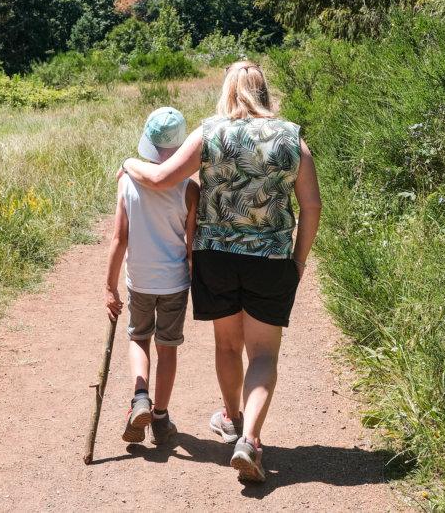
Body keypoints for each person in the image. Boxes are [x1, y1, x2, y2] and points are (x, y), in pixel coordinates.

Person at [121, 61, 322, 483]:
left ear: (228, 91)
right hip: (270, 259)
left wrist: (128, 163)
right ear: (264, 91)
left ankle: (232, 419)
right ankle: (249, 438)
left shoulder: (210, 132)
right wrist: (298, 260)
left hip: (216, 258)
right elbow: (311, 206)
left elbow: (159, 177)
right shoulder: (293, 139)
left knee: (228, 347)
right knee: (263, 354)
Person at [104, 107, 200, 446]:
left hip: (140, 279)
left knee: (138, 338)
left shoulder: (127, 182)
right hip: (174, 282)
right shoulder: (190, 190)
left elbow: (120, 238)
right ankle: (160, 418)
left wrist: (110, 287)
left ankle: (140, 397)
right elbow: (191, 248)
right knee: (168, 347)